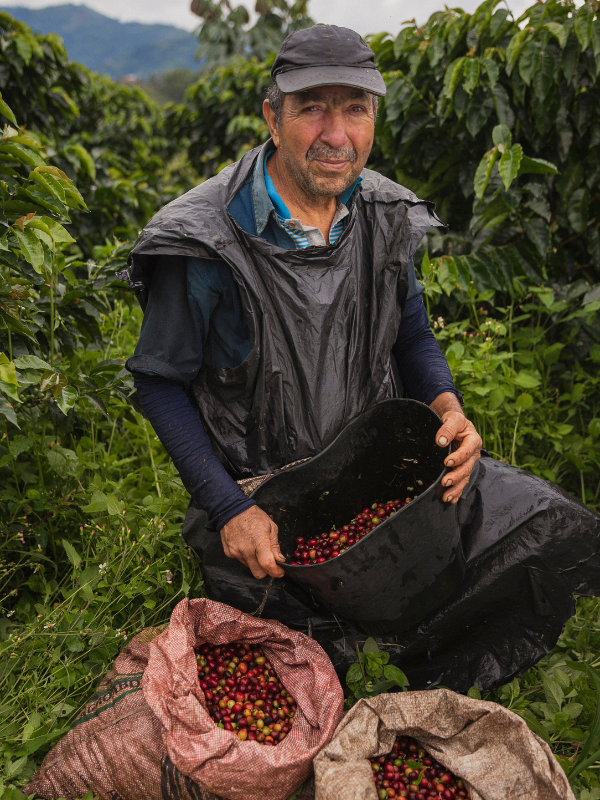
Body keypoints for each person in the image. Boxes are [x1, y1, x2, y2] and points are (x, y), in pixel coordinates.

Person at [126, 23, 482, 584]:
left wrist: (448, 410)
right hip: (261, 503)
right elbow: (159, 382)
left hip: (370, 488)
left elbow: (410, 335)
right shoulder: (206, 241)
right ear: (273, 117)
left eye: (356, 110)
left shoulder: (384, 213)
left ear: (374, 119)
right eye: (313, 109)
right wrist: (231, 510)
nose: (336, 135)